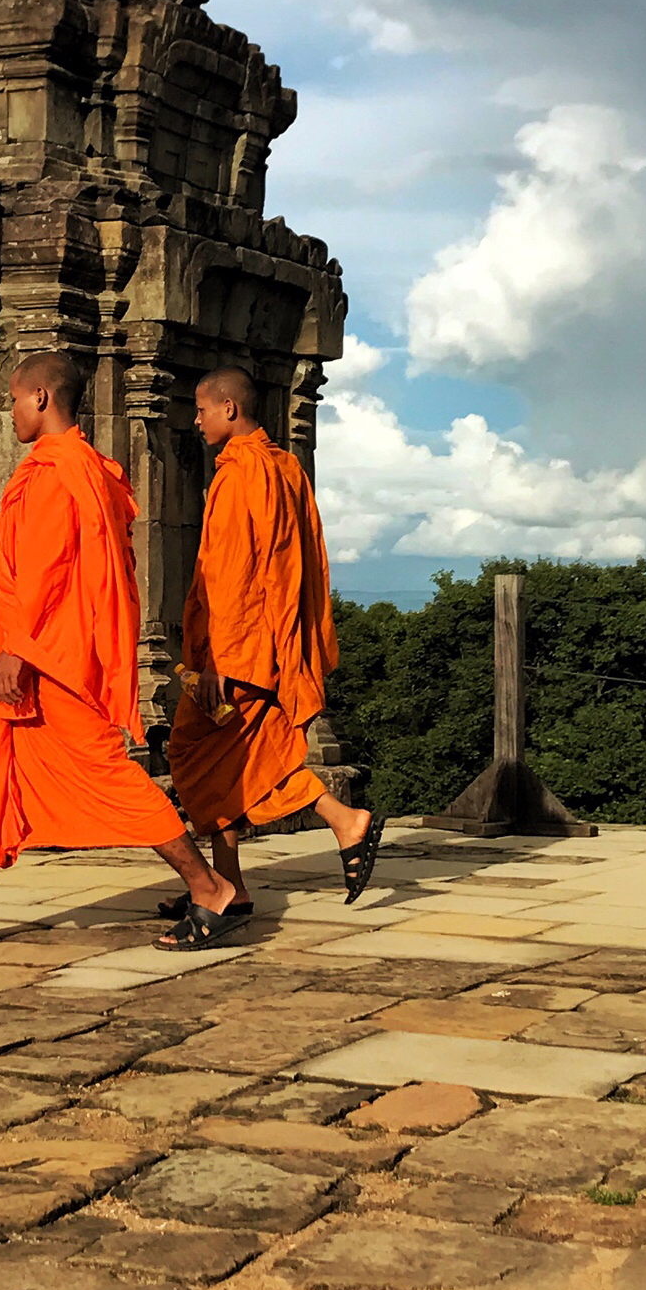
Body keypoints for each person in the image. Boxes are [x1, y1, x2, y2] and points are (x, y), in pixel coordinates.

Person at [0, 350, 244, 949]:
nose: (10, 412)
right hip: (55, 649)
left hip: (46, 658)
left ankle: (207, 887)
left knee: (108, 775)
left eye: (14, 399)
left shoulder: (57, 473)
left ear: (40, 397)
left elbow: (44, 573)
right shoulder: (87, 468)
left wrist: (14, 648)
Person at [166, 366, 385, 917]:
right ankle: (231, 885)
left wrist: (216, 658)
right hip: (271, 643)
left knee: (193, 757)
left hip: (237, 651)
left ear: (229, 409)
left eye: (201, 409)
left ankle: (343, 819)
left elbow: (233, 574)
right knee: (232, 763)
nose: (196, 420)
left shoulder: (241, 474)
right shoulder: (285, 467)